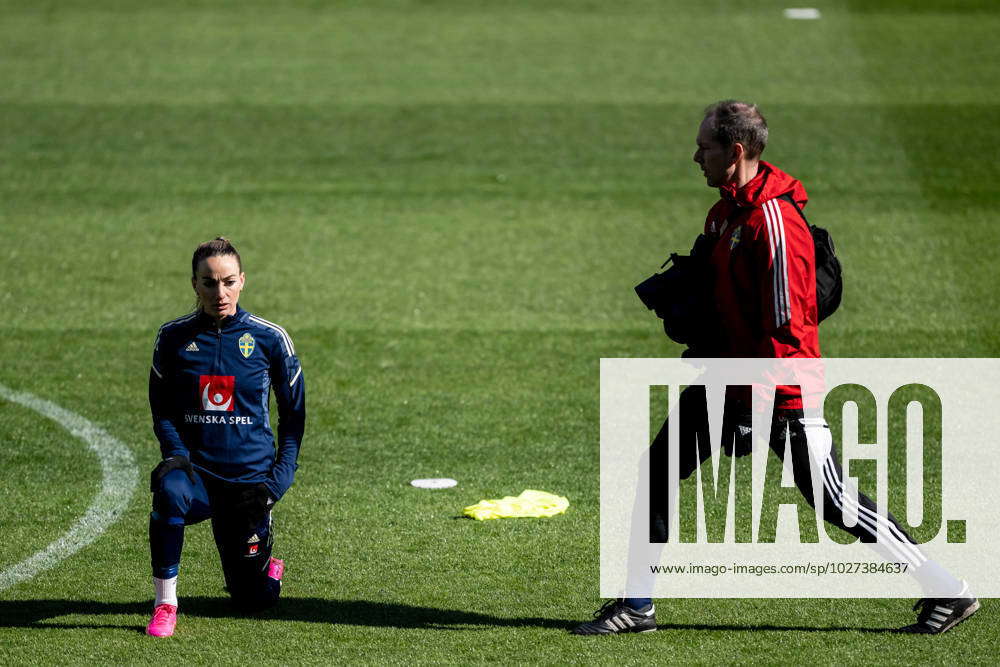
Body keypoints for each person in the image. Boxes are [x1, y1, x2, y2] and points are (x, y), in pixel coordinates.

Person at [572, 101, 978, 635]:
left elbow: (786, 333)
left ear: (735, 151)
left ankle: (947, 590)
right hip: (726, 377)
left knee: (834, 502)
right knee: (657, 472)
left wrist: (750, 405)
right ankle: (637, 604)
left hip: (781, 391)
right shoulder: (724, 212)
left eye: (705, 147)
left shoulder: (775, 222)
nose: (695, 156)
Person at [145, 237, 306, 638]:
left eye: (228, 282)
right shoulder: (172, 338)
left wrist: (275, 485)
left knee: (252, 601)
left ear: (242, 281)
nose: (220, 292)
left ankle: (267, 567)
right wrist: (176, 456)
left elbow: (293, 420)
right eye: (209, 282)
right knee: (168, 490)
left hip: (249, 484)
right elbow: (162, 410)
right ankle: (166, 604)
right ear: (194, 285)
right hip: (196, 475)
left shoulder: (270, 339)